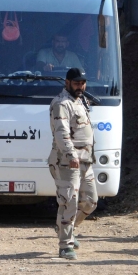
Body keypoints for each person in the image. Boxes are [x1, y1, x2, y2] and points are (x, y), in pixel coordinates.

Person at [48, 68, 98, 260]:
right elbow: (61, 133)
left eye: (83, 83)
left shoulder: (81, 101)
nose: (81, 86)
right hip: (67, 161)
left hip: (86, 160)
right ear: (67, 82)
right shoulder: (61, 104)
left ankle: (64, 228)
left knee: (91, 202)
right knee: (69, 201)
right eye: (76, 83)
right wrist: (71, 155)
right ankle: (65, 245)